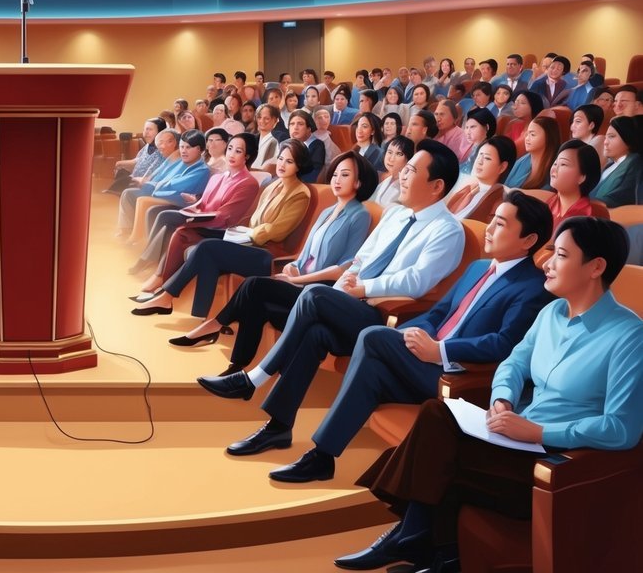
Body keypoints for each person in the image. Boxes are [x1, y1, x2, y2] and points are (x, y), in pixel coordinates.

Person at [338, 217, 641, 572]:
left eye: (560, 254)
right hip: (515, 439)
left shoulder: (629, 336)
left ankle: (412, 540)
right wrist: (502, 400)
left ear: (596, 267)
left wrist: (539, 433)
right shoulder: (550, 313)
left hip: (555, 461)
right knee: (439, 418)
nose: (546, 263)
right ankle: (431, 551)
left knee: (434, 455)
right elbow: (513, 365)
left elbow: (622, 429)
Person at [198, 140, 465, 457]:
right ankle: (278, 428)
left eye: (410, 170)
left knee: (312, 296)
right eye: (404, 169)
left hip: (379, 319)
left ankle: (255, 378)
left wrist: (362, 289)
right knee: (315, 333)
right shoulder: (395, 214)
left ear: (436, 186)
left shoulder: (448, 230)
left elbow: (417, 281)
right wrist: (349, 281)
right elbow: (362, 258)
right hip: (351, 303)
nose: (402, 176)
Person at [274, 191, 553, 488]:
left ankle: (306, 438)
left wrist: (439, 350)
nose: (490, 229)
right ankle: (322, 456)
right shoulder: (478, 268)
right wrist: (406, 336)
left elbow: (504, 343)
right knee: (366, 361)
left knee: (371, 336)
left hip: (459, 375)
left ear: (528, 240)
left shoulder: (533, 287)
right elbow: (438, 313)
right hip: (426, 360)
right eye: (491, 221)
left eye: (500, 224)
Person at [132, 141, 326, 322]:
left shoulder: (300, 193)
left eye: (289, 161)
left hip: (267, 252)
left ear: (299, 165)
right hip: (249, 240)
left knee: (207, 247)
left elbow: (278, 231)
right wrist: (242, 232)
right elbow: (254, 220)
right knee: (196, 241)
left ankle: (167, 297)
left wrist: (247, 234)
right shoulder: (273, 185)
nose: (282, 164)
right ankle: (201, 316)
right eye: (281, 158)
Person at [131, 132, 262, 275]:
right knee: (166, 217)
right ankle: (155, 267)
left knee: (173, 223)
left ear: (247, 156)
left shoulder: (248, 182)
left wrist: (193, 217)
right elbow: (202, 202)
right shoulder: (219, 176)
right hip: (203, 216)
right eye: (230, 148)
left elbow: (226, 216)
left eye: (238, 151)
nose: (231, 154)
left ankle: (156, 270)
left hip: (218, 227)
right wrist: (193, 209)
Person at [445, 135, 514, 222]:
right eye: (479, 155)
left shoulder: (501, 198)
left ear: (502, 167)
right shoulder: (468, 187)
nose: (479, 161)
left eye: (487, 158)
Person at [547, 139, 601, 229]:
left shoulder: (584, 219)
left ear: (582, 177)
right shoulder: (550, 203)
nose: (554, 169)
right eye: (555, 163)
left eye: (563, 164)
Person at [590, 114, 641, 207]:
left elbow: (618, 198)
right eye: (606, 137)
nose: (605, 142)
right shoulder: (610, 165)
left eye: (612, 136)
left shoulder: (635, 163)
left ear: (627, 139)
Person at [505, 114, 560, 190]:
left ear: (548, 138)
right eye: (527, 134)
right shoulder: (521, 161)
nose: (527, 138)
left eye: (532, 134)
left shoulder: (555, 168)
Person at [369, 136, 414, 206]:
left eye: (399, 154)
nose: (391, 158)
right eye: (389, 152)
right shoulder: (387, 180)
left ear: (409, 159)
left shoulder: (406, 186)